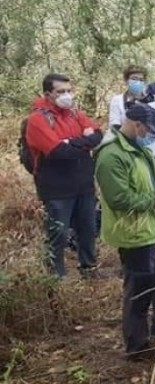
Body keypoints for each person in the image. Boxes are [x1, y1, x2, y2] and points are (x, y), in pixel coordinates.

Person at [94, 104, 155, 361]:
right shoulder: (111, 156)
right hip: (132, 233)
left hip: (153, 228)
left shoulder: (139, 147)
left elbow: (149, 182)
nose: (154, 136)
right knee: (139, 289)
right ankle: (137, 346)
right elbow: (120, 199)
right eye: (151, 130)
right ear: (137, 125)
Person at [24, 73, 102, 278]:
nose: (67, 95)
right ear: (47, 94)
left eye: (69, 90)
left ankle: (89, 269)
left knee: (88, 229)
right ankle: (55, 277)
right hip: (57, 188)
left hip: (83, 183)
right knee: (57, 233)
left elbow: (98, 134)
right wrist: (82, 141)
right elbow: (59, 152)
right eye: (61, 92)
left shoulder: (75, 113)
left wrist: (71, 142)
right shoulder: (37, 120)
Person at [108, 64, 155, 167]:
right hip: (130, 148)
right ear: (127, 80)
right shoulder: (117, 100)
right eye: (134, 79)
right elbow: (114, 125)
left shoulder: (153, 99)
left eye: (141, 80)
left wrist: (144, 104)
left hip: (153, 149)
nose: (138, 82)